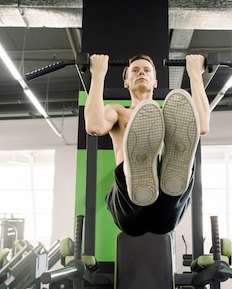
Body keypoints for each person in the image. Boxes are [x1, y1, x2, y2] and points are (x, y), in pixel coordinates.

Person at [84, 53, 210, 236]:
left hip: (164, 203)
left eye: (146, 70)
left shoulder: (173, 115)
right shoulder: (118, 112)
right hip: (129, 204)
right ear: (126, 82)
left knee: (174, 185)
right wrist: (98, 74)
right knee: (129, 183)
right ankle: (138, 171)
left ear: (155, 82)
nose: (141, 73)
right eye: (135, 70)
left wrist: (195, 75)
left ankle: (172, 174)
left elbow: (202, 126)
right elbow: (94, 125)